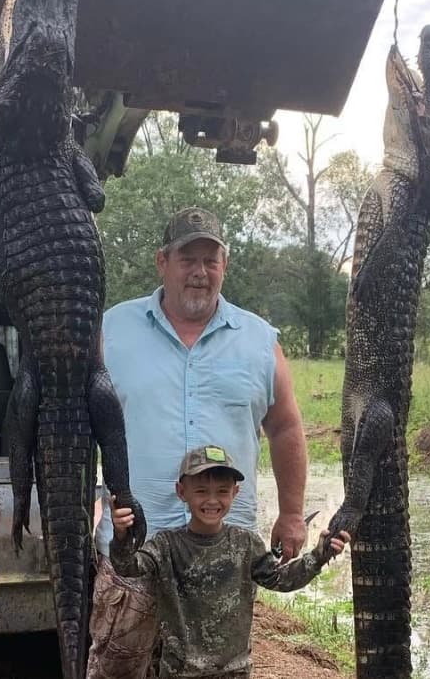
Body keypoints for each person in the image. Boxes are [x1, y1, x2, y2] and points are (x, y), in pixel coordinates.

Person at [87, 207, 311, 678]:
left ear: (224, 265)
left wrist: (292, 514)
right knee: (119, 670)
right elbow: (78, 427)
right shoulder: (111, 331)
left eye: (211, 260)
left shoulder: (259, 340)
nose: (200, 273)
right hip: (134, 552)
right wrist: (87, 500)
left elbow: (286, 428)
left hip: (223, 560)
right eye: (188, 259)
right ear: (161, 262)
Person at [108, 445, 348, 679]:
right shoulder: (166, 546)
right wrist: (122, 536)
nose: (212, 500)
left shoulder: (246, 544)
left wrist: (319, 555)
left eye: (222, 491)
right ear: (182, 492)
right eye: (201, 491)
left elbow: (281, 580)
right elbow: (128, 567)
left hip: (234, 671)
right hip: (180, 672)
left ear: (235, 492)